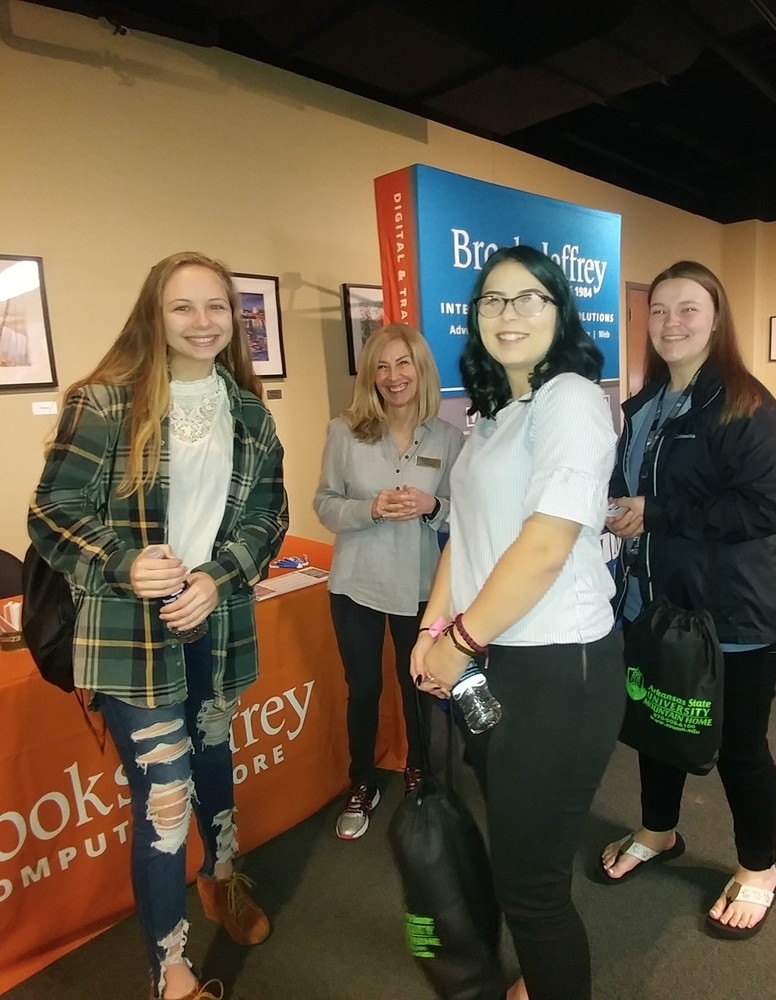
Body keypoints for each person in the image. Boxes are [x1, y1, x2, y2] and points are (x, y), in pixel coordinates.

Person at [28, 251, 288, 1000]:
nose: (202, 323)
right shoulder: (106, 401)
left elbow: (271, 516)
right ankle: (169, 970)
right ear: (155, 313)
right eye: (183, 307)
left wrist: (218, 576)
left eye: (216, 308)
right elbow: (51, 513)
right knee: (166, 795)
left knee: (213, 759)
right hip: (129, 636)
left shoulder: (247, 409)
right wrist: (120, 559)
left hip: (217, 620)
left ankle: (222, 879)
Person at [411, 245, 625, 1000]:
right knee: (516, 849)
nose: (509, 314)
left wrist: (460, 641)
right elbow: (466, 538)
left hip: (555, 667)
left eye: (528, 297)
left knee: (529, 889)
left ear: (559, 310)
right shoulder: (495, 411)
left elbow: (542, 548)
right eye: (492, 300)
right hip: (493, 657)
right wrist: (431, 631)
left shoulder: (569, 397)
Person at [598, 260, 776, 939]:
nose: (670, 323)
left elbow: (767, 508)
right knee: (656, 729)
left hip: (736, 616)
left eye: (687, 309)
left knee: (739, 747)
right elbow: (644, 496)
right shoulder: (643, 407)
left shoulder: (747, 404)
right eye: (658, 310)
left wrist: (655, 512)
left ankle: (758, 867)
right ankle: (657, 832)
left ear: (715, 318)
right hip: (657, 608)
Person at [314, 323, 463, 839]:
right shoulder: (344, 430)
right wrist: (370, 508)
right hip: (356, 583)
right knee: (364, 688)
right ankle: (362, 782)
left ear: (420, 370)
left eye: (403, 364)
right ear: (370, 376)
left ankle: (420, 774)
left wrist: (432, 506)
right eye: (381, 365)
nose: (393, 376)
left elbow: (460, 512)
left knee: (417, 687)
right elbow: (324, 504)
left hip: (420, 587)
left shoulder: (446, 438)